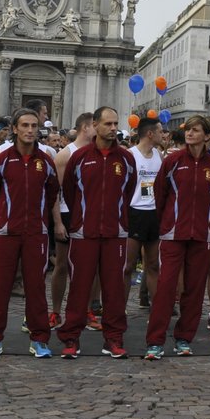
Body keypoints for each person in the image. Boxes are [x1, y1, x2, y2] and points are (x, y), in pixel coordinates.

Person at [0, 108, 59, 359]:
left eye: (34, 126)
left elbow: (52, 192)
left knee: (36, 288)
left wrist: (42, 221)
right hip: (5, 233)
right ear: (14, 128)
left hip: (36, 233)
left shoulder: (45, 162)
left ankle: (40, 339)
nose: (30, 130)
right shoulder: (1, 160)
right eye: (25, 125)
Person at [57, 106, 137, 359]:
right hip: (84, 233)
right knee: (79, 288)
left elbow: (128, 191)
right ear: (96, 125)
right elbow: (69, 191)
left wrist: (118, 218)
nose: (114, 129)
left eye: (116, 124)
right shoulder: (79, 157)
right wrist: (81, 219)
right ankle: (71, 339)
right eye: (108, 124)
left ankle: (113, 339)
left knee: (114, 290)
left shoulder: (126, 159)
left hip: (115, 233)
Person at [144, 115, 210, 359]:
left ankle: (184, 338)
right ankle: (155, 341)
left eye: (195, 130)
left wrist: (205, 223)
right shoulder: (174, 160)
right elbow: (160, 193)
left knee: (195, 290)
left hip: (201, 235)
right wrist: (168, 222)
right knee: (166, 287)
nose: (189, 134)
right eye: (188, 130)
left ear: (206, 136)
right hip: (173, 234)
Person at [49, 112, 95, 330]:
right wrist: (58, 222)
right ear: (86, 127)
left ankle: (86, 310)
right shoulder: (65, 155)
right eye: (96, 125)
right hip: (68, 214)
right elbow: (55, 193)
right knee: (62, 265)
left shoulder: (97, 152)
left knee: (89, 267)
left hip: (90, 216)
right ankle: (56, 311)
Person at [124, 118, 164, 311]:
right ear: (150, 134)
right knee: (128, 266)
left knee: (153, 264)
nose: (163, 135)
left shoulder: (158, 155)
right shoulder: (130, 155)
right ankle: (118, 309)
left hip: (153, 213)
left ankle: (157, 310)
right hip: (134, 213)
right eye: (160, 131)